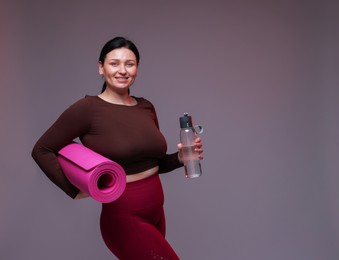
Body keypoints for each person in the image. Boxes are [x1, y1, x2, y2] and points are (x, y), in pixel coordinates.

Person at [31, 36, 203, 259]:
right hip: (124, 217)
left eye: (129, 64)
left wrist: (179, 159)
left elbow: (154, 163)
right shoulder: (87, 108)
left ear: (137, 69)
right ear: (101, 68)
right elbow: (42, 149)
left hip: (157, 212)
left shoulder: (145, 107)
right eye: (114, 63)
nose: (122, 70)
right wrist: (74, 190)